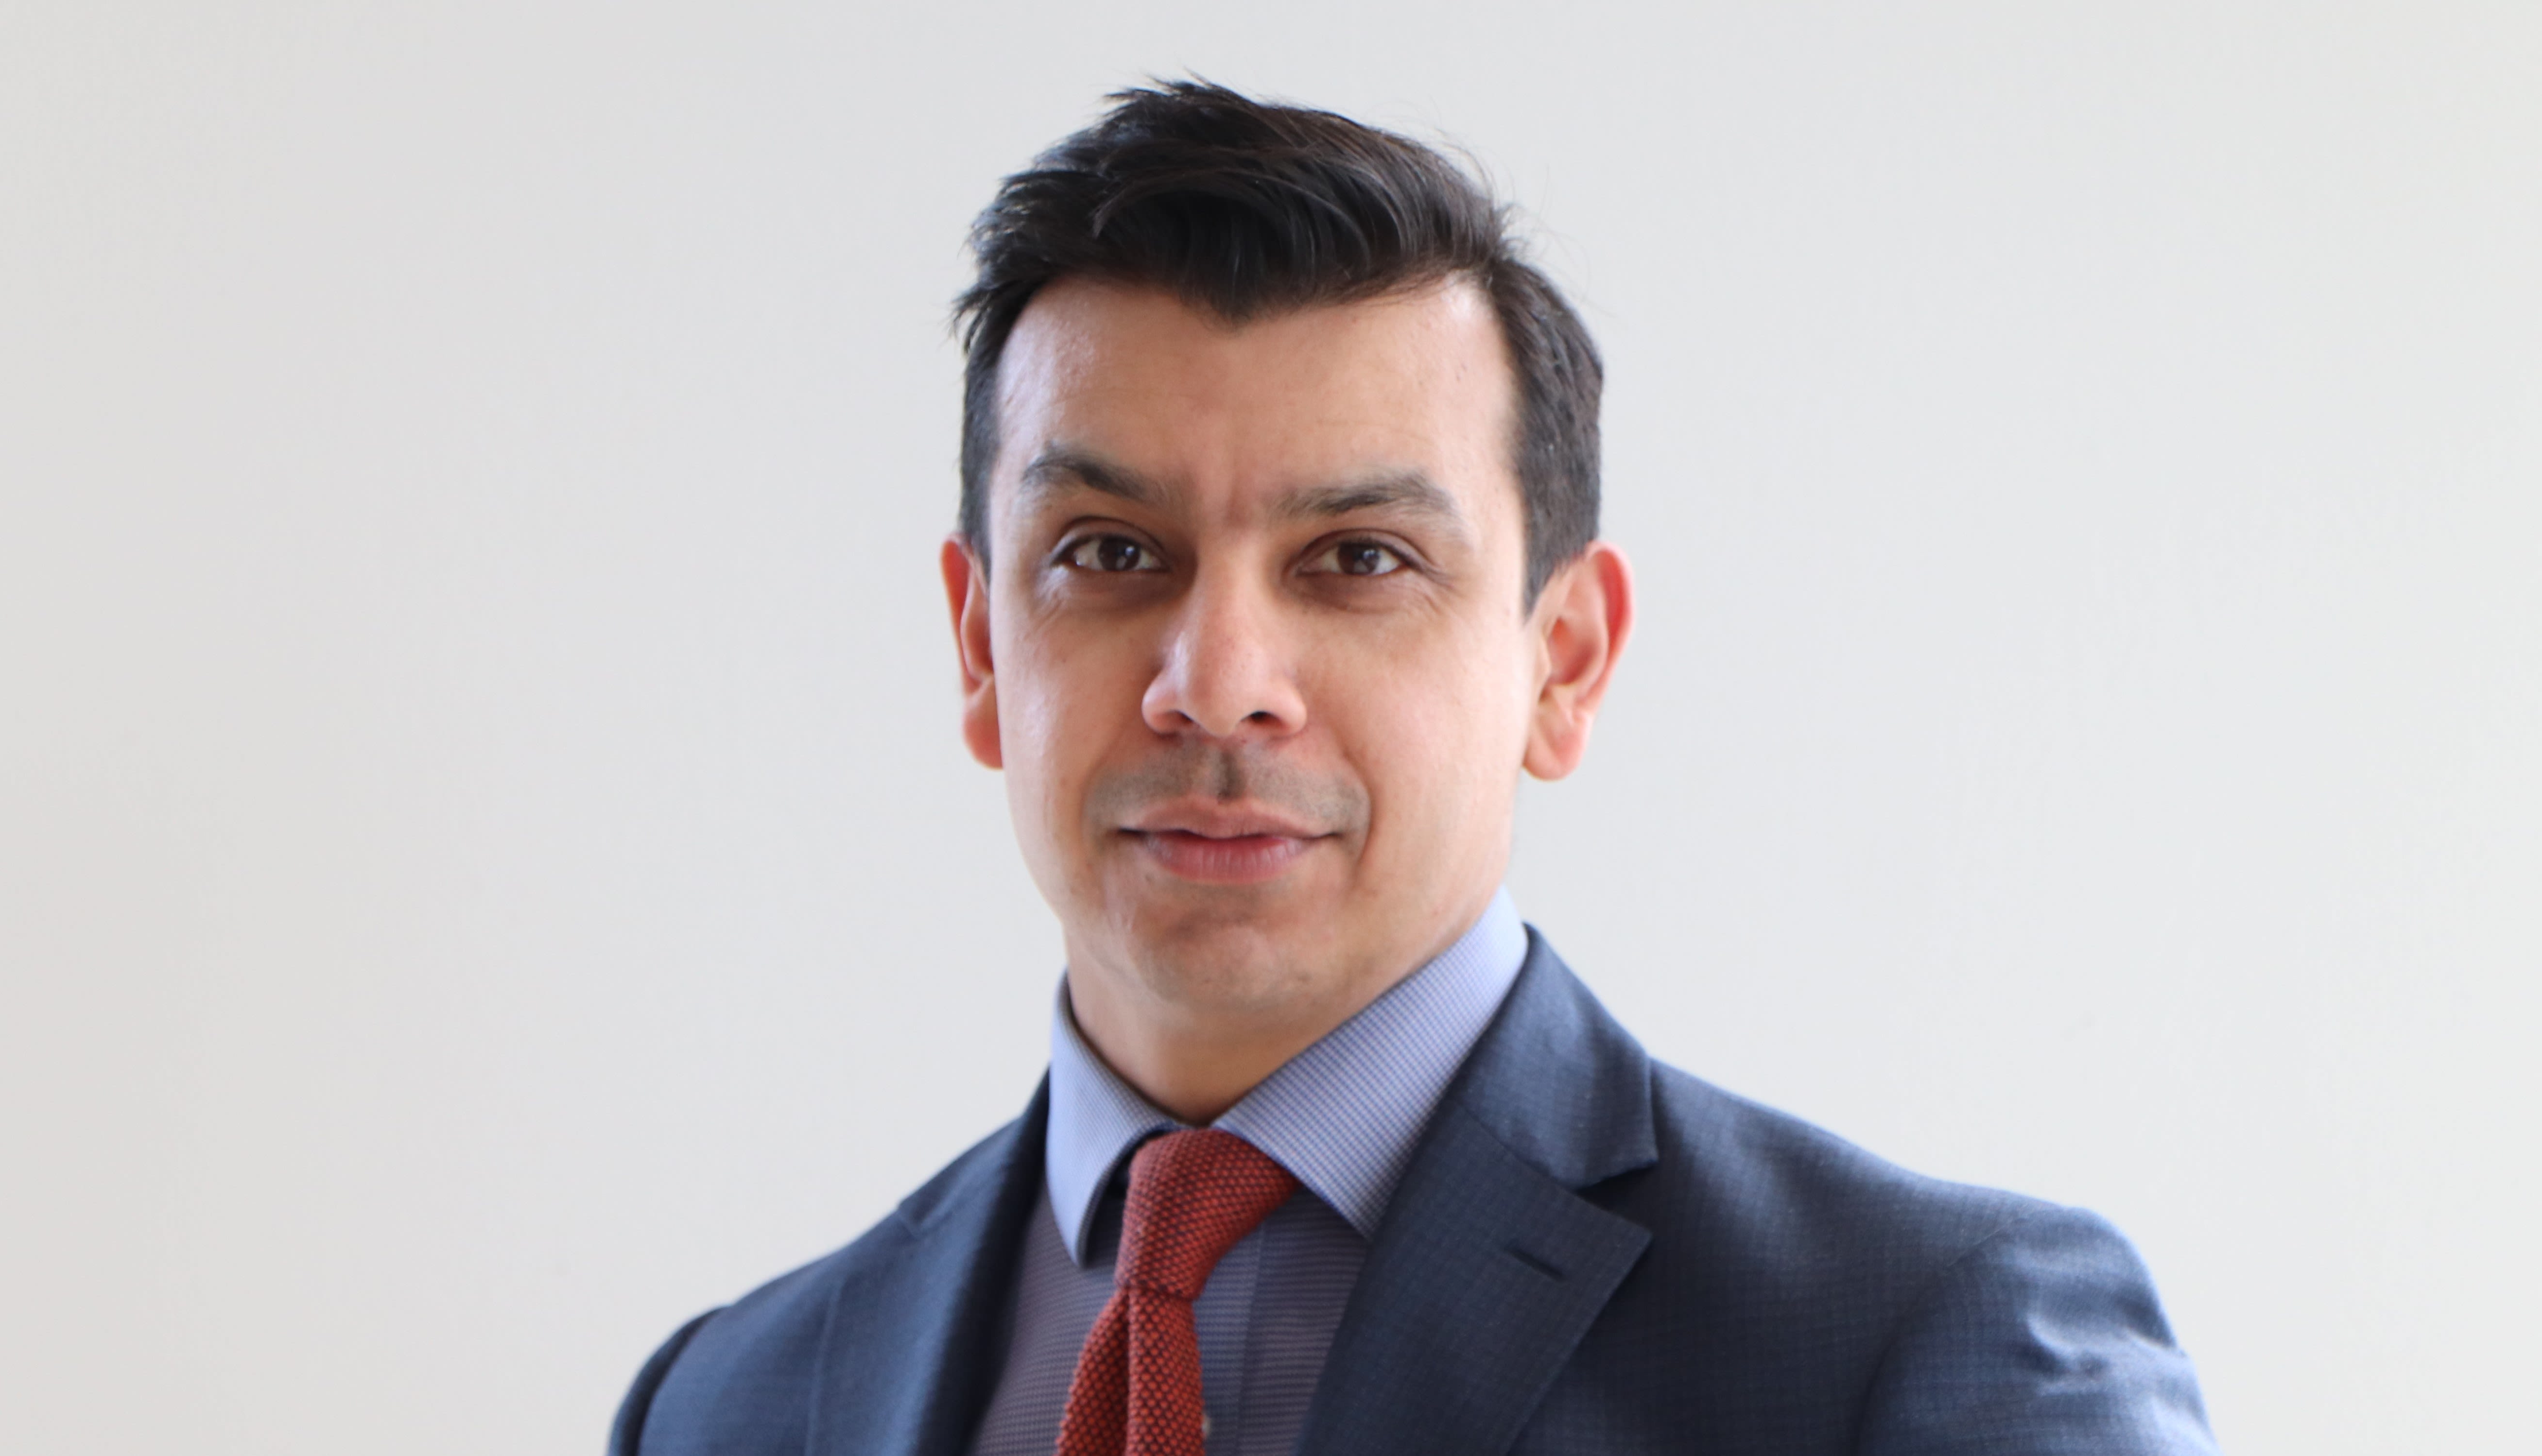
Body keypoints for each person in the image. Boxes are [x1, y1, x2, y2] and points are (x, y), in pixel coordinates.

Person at [610, 81, 2219, 1456]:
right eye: (1109, 551)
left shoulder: (1932, 1347)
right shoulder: (727, 1406)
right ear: (980, 648)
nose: (1216, 685)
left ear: (1563, 661)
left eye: (1359, 559)